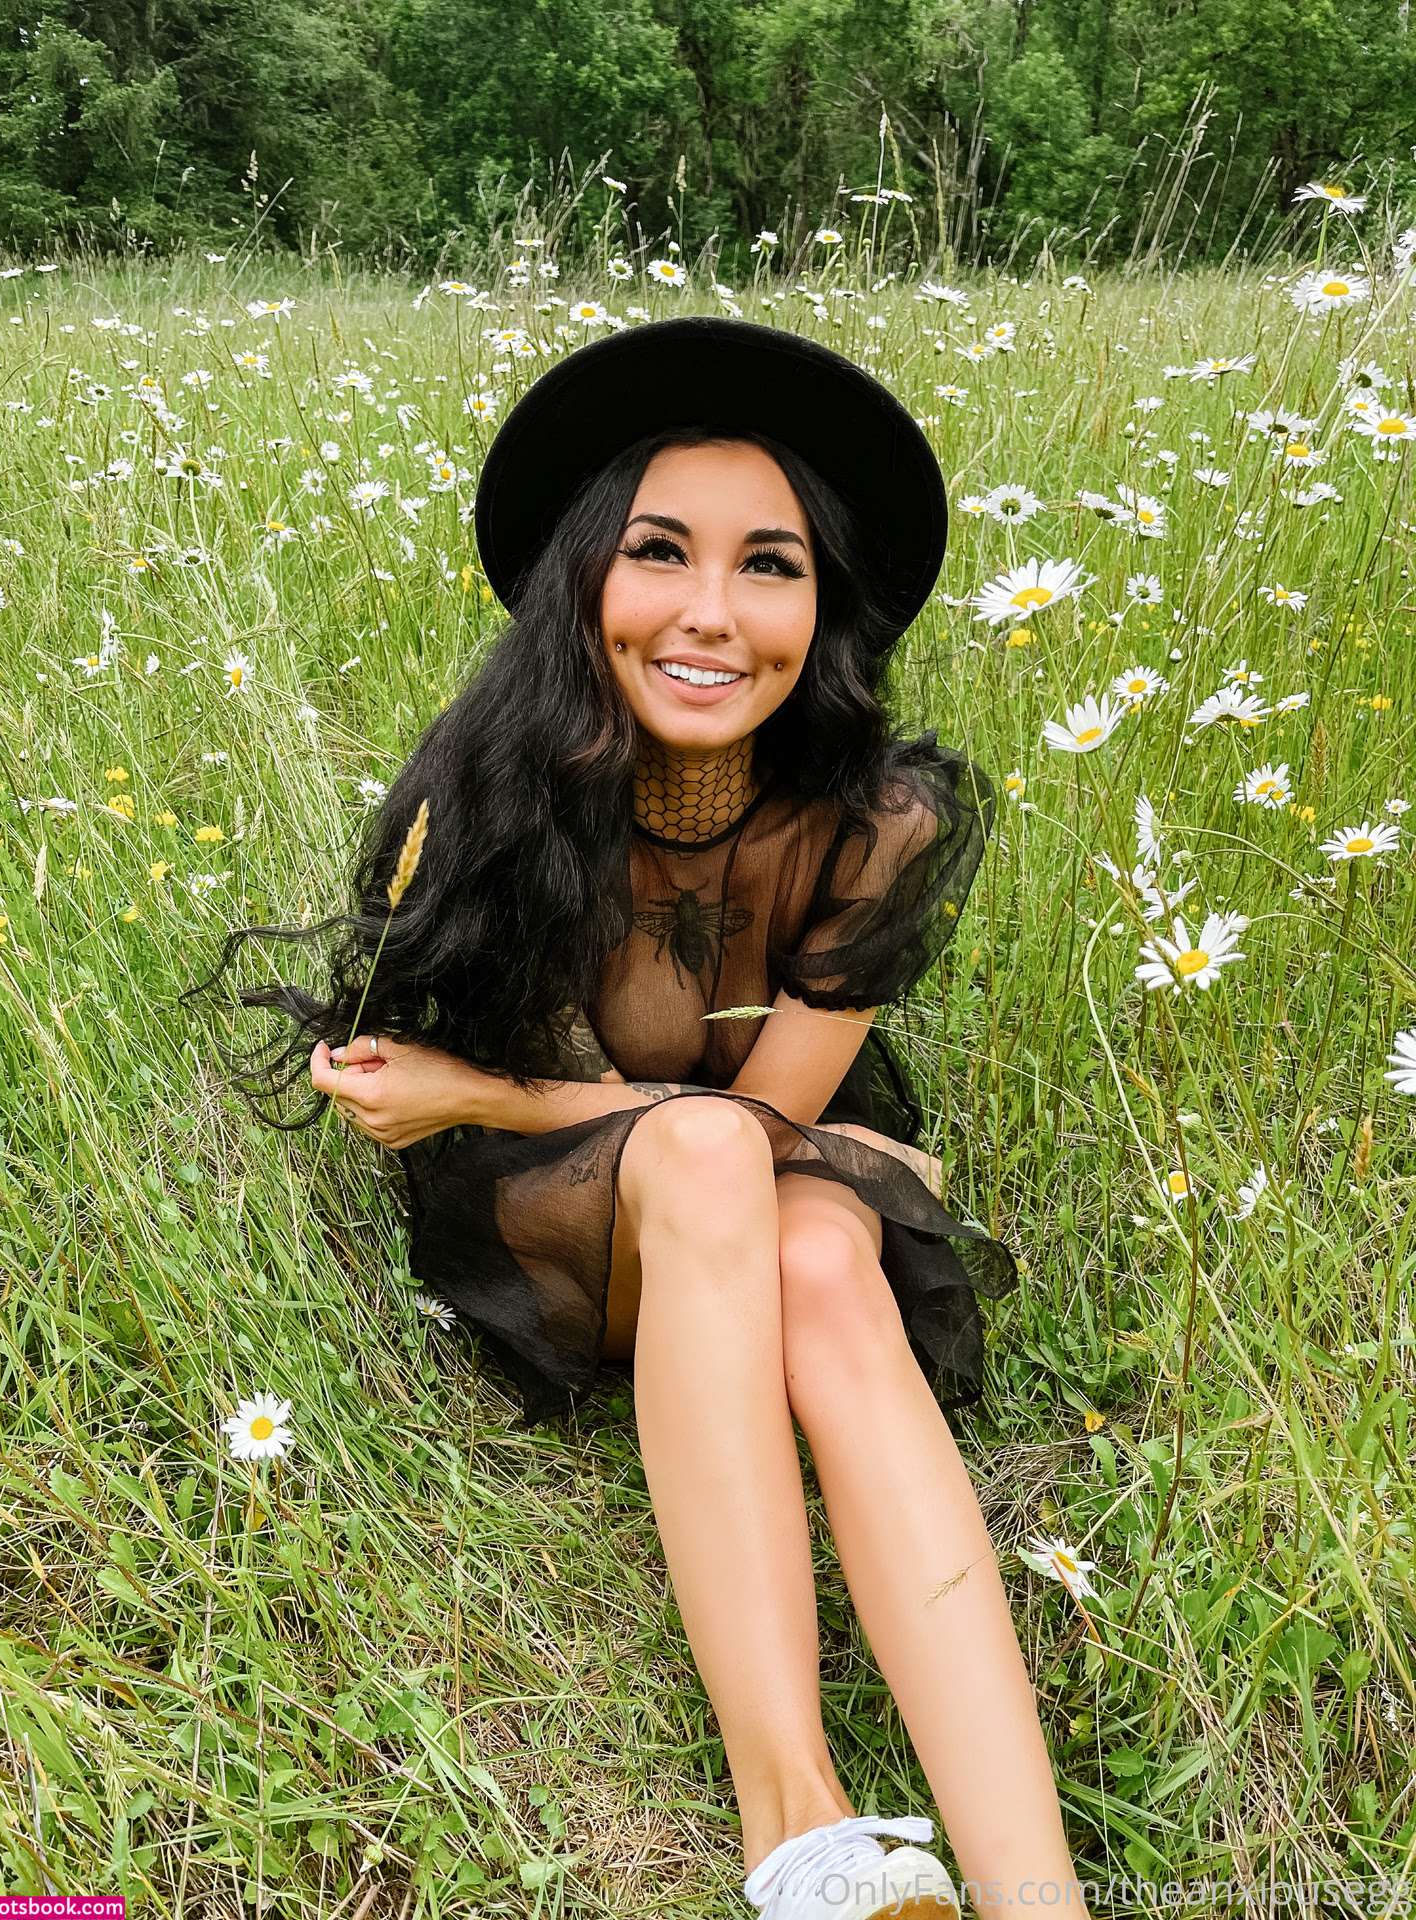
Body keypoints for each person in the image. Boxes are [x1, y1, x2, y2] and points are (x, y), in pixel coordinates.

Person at [181, 316, 1094, 1918]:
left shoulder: (879, 818)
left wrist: (828, 1156)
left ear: (824, 607)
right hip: (574, 1219)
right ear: (585, 577)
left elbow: (770, 1125)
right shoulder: (496, 786)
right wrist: (479, 1092)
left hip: (760, 1199)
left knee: (821, 1252)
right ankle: (794, 1814)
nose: (711, 613)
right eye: (661, 551)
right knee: (720, 1159)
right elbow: (440, 1085)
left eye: (770, 565)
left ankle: (1037, 1900)